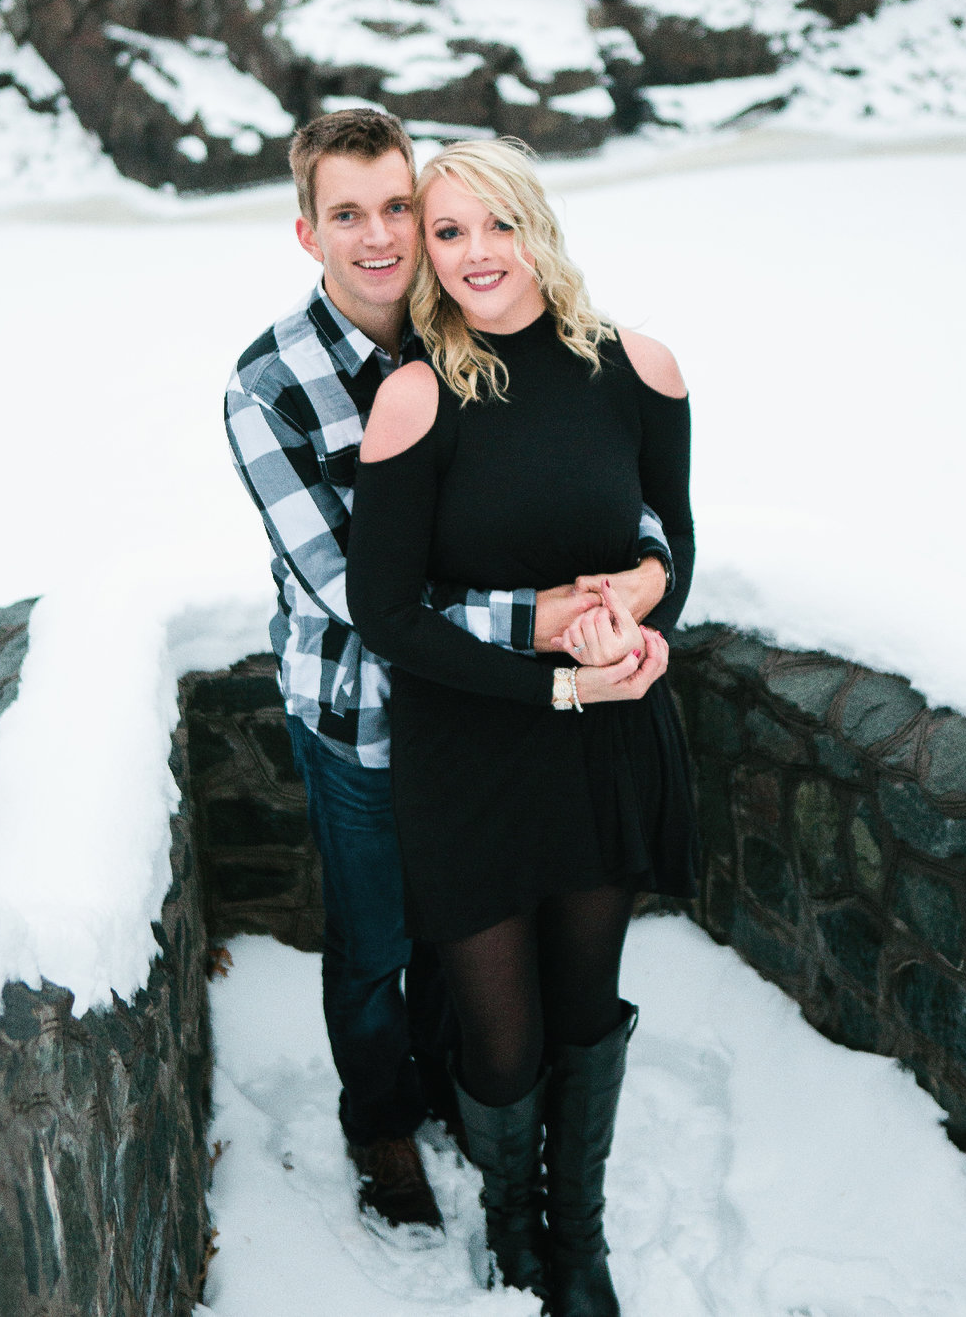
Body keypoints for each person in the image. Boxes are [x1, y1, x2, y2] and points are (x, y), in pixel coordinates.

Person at [223, 109, 674, 1233]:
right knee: (377, 941)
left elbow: (594, 480)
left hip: (476, 723)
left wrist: (642, 573)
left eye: (396, 209)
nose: (377, 235)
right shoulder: (271, 384)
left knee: (466, 935)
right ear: (305, 231)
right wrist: (552, 623)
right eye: (347, 214)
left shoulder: (464, 338)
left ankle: (473, 1105)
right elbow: (357, 594)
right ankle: (382, 1121)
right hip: (365, 716)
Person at [346, 134, 694, 1317]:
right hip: (472, 758)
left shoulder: (637, 370)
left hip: (605, 749)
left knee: (585, 1004)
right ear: (428, 256)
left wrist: (643, 615)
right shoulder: (412, 397)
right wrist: (552, 681)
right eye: (448, 233)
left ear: (534, 221)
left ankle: (577, 1239)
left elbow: (674, 549)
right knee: (500, 1036)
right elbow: (385, 615)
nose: (475, 252)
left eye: (494, 221)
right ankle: (510, 1226)